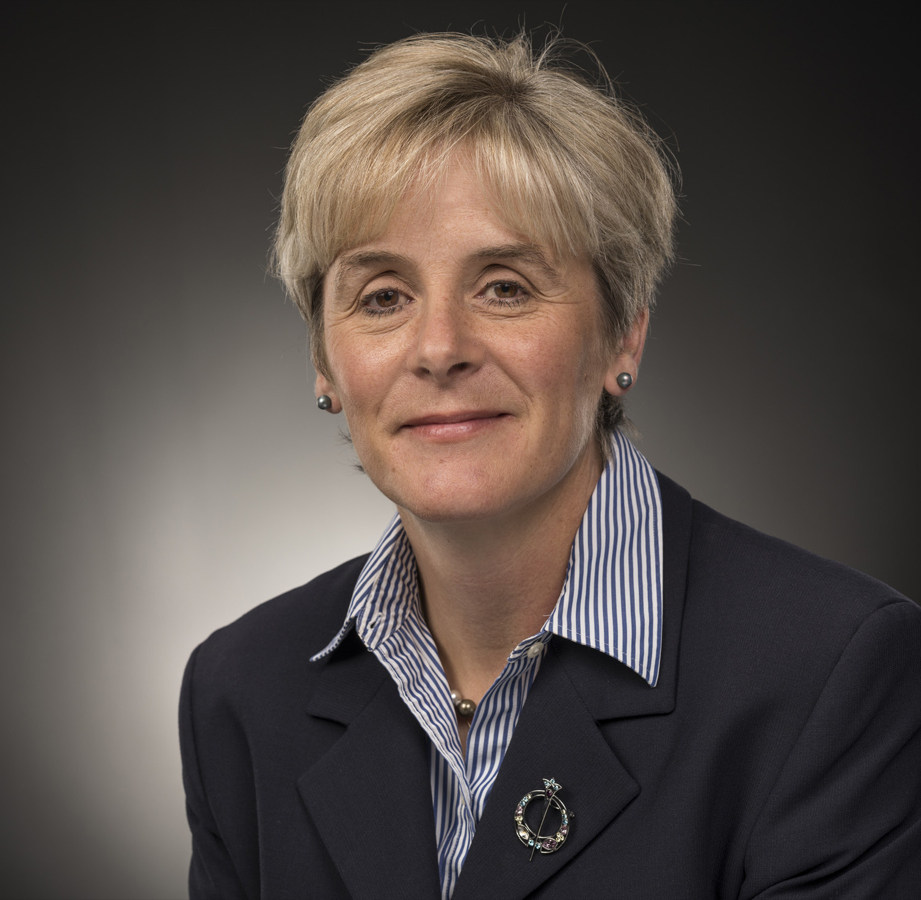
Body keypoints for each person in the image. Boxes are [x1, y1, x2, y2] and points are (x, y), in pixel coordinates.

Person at [177, 31, 921, 900]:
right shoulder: (241, 692)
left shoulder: (834, 673)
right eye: (382, 296)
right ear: (323, 357)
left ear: (623, 331)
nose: (440, 348)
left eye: (505, 287)